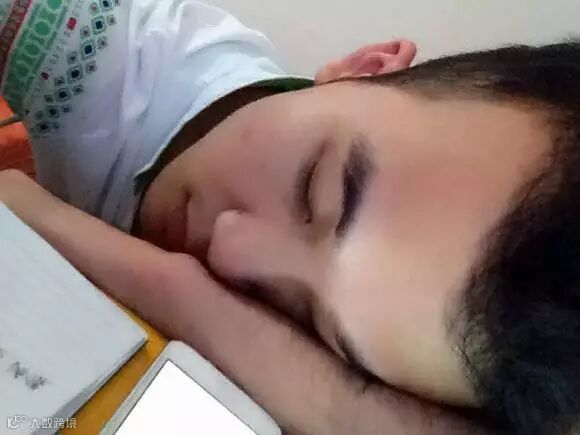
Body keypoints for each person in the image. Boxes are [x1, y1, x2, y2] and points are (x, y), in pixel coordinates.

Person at [0, 0, 579, 433]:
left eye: (308, 323)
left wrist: (178, 294)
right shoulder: (92, 37)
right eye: (312, 187)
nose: (227, 253)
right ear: (366, 66)